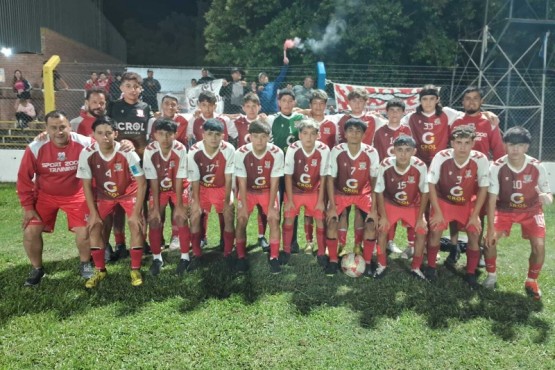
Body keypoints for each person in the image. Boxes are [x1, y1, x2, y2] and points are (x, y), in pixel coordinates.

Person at [16, 110, 93, 286]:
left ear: (69, 127)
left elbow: (107, 144)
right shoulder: (35, 147)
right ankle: (37, 269)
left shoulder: (85, 142)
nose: (59, 131)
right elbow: (23, 179)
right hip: (45, 196)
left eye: (62, 127)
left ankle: (85, 264)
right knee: (30, 231)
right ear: (46, 129)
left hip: (76, 194)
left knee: (85, 230)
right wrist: (28, 208)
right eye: (53, 128)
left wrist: (125, 143)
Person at [77, 116, 147, 288]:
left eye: (109, 133)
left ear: (116, 134)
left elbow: (141, 182)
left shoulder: (126, 151)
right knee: (94, 226)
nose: (105, 137)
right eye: (100, 133)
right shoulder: (87, 153)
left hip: (128, 192)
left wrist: (137, 212)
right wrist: (93, 214)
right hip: (104, 195)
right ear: (93, 134)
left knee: (136, 224)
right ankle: (100, 270)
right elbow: (86, 185)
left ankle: (135, 269)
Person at [485, 127, 552, 300]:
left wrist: (547, 198)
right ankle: (491, 276)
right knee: (490, 240)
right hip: (504, 209)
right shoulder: (497, 167)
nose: (515, 149)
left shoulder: (537, 166)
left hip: (531, 210)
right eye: (511, 145)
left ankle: (532, 280)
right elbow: (492, 199)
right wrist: (490, 227)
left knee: (539, 245)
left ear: (527, 147)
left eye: (520, 145)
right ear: (505, 145)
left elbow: (548, 194)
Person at [446, 86, 506, 265]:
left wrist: (497, 175)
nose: (471, 102)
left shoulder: (489, 122)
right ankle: (454, 247)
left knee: (480, 213)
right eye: (467, 99)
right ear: (462, 102)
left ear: (481, 102)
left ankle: (476, 248)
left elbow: (498, 151)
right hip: (458, 174)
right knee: (454, 208)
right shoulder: (456, 121)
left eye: (475, 99)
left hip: (480, 177)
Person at [426, 126, 489, 287]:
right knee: (435, 230)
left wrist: (475, 215)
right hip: (444, 201)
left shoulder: (480, 159)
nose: (462, 147)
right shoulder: (442, 156)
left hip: (466, 203)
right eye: (459, 142)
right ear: (452, 143)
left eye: (467, 143)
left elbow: (483, 187)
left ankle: (470, 272)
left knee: (474, 234)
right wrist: (438, 212)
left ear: (473, 143)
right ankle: (431, 267)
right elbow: (431, 184)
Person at [106, 71, 153, 258]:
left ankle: (143, 240)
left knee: (141, 203)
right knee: (117, 204)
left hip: (140, 162)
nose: (133, 90)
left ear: (140, 88)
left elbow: (148, 134)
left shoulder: (146, 107)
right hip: (117, 163)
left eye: (136, 87)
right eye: (128, 86)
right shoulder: (113, 107)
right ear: (122, 88)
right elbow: (108, 132)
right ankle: (120, 243)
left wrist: (137, 145)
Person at [325, 118, 380, 276]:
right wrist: (332, 207)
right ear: (345, 133)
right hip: (341, 193)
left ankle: (368, 262)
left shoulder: (371, 152)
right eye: (351, 131)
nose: (354, 134)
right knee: (332, 222)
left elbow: (375, 181)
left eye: (358, 131)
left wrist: (374, 210)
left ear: (364, 134)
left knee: (370, 225)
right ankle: (333, 260)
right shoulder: (337, 150)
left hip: (363, 194)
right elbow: (330, 179)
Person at [375, 136, 429, 279]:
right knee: (381, 230)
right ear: (393, 151)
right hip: (391, 203)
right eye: (399, 150)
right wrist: (384, 216)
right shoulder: (385, 164)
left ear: (414, 151)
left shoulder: (420, 165)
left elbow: (424, 192)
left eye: (407, 150)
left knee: (422, 230)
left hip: (412, 205)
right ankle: (381, 264)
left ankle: (416, 267)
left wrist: (420, 218)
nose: (403, 154)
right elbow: (379, 191)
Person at [235, 120, 284, 273]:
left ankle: (274, 257)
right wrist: (242, 205)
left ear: (269, 137)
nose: (259, 140)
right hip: (247, 191)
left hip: (267, 190)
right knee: (241, 218)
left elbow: (275, 181)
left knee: (274, 218)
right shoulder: (241, 153)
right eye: (255, 136)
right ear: (249, 137)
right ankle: (241, 256)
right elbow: (241, 181)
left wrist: (271, 208)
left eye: (263, 136)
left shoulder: (277, 152)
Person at [186, 119, 236, 271]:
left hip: (221, 187)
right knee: (194, 215)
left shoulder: (229, 149)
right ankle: (196, 253)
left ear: (223, 135)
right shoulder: (194, 150)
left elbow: (229, 177)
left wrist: (228, 200)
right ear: (203, 135)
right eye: (210, 134)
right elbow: (194, 178)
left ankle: (228, 253)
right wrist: (195, 201)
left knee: (229, 213)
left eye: (217, 134)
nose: (214, 138)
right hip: (201, 188)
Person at [143, 118, 190, 275]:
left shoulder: (180, 149)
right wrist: (156, 208)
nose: (165, 138)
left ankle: (185, 257)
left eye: (169, 134)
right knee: (154, 219)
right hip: (160, 189)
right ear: (155, 135)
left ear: (175, 135)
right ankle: (157, 258)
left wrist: (179, 206)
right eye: (161, 134)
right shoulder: (150, 150)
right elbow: (153, 180)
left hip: (179, 186)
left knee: (181, 217)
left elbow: (179, 177)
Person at [283, 119, 329, 267]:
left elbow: (323, 176)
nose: (309, 137)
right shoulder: (292, 148)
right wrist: (289, 199)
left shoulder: (323, 149)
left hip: (314, 192)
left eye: (312, 134)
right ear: (300, 135)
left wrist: (321, 200)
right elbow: (288, 175)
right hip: (295, 191)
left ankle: (321, 252)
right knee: (289, 219)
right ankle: (286, 251)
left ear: (318, 135)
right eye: (305, 133)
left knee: (320, 220)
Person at [372, 99, 414, 255]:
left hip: (404, 176)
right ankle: (386, 241)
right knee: (386, 208)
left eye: (398, 111)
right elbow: (376, 154)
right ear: (386, 112)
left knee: (406, 207)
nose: (395, 113)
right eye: (392, 110)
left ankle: (411, 244)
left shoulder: (407, 131)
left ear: (403, 113)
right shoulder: (380, 131)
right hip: (386, 176)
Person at [266, 89, 304, 253]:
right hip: (276, 170)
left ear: (294, 103)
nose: (287, 104)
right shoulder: (271, 119)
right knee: (275, 206)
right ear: (279, 102)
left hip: (294, 171)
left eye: (290, 101)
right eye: (284, 101)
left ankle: (292, 241)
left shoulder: (301, 119)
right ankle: (270, 239)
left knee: (291, 207)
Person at [234, 92, 271, 250]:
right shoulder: (237, 122)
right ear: (243, 108)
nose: (251, 109)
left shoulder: (264, 122)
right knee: (243, 205)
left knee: (263, 207)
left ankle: (262, 236)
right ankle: (240, 239)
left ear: (259, 107)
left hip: (262, 169)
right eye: (248, 106)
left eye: (254, 106)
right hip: (243, 169)